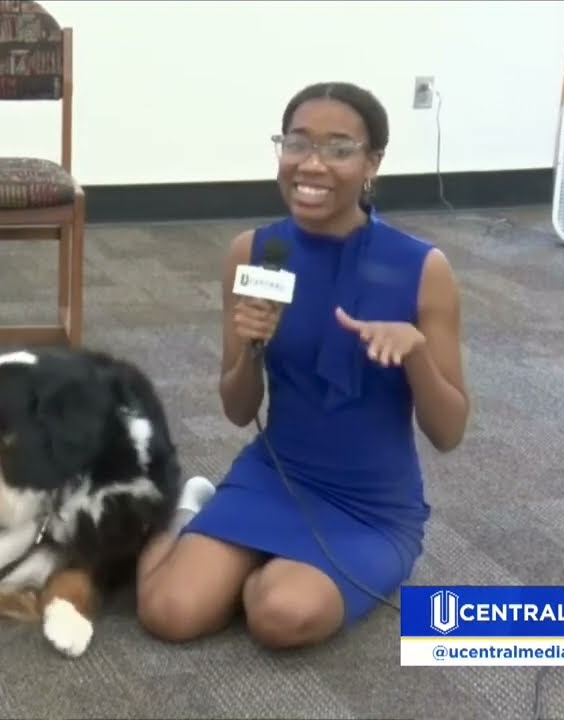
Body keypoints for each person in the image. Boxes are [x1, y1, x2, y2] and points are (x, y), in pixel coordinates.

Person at [136, 82, 469, 649]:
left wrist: (414, 353)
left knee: (281, 615)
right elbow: (238, 410)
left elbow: (449, 431)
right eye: (296, 144)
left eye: (339, 149)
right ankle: (188, 517)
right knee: (169, 613)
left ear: (373, 164)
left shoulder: (421, 268)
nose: (311, 164)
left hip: (370, 505)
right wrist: (250, 349)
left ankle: (258, 565)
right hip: (275, 474)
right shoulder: (256, 252)